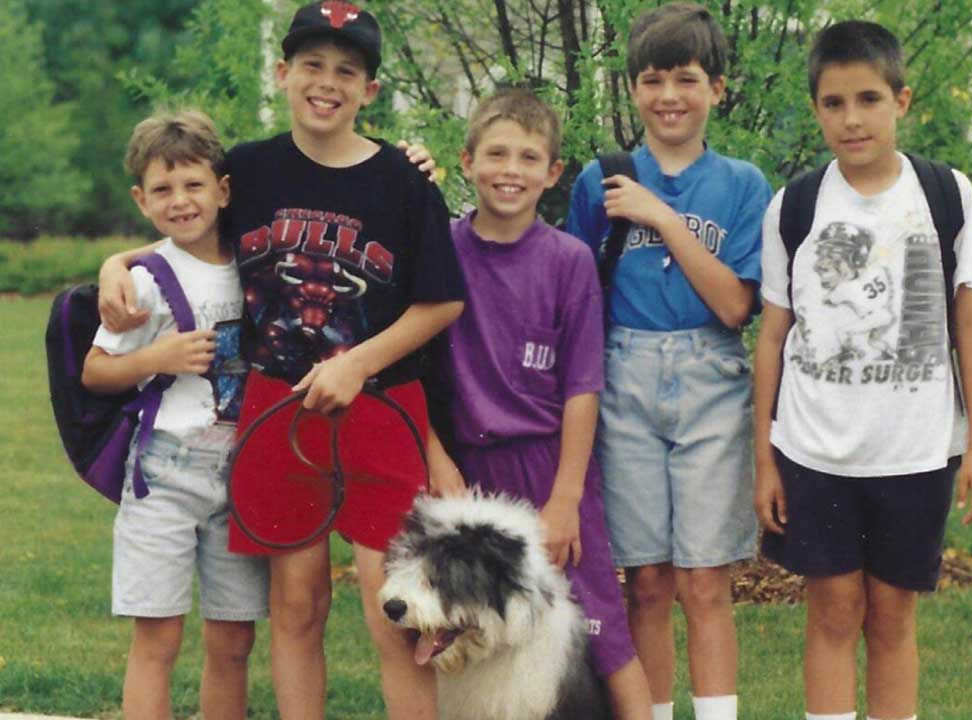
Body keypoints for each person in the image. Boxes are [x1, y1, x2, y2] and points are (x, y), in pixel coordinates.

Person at [96, 3, 465, 719]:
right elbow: (190, 230)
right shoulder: (252, 169)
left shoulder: (404, 180)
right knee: (296, 605)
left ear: (370, 91)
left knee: (395, 608)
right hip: (278, 407)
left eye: (346, 71)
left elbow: (442, 301)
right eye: (312, 66)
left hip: (382, 408)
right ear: (283, 73)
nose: (327, 83)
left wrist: (358, 363)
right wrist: (119, 259)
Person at [752, 20, 972, 720]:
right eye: (833, 103)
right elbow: (773, 338)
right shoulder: (794, 205)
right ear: (817, 109)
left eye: (868, 99)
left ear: (902, 101)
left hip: (916, 450)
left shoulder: (946, 195)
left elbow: (971, 326)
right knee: (832, 612)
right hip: (815, 448)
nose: (852, 118)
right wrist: (765, 458)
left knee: (891, 618)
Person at [565, 5, 773, 720]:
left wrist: (662, 218)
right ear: (632, 91)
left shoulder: (744, 184)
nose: (669, 97)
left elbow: (734, 307)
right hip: (623, 375)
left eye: (686, 79)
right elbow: (578, 297)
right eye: (652, 80)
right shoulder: (600, 182)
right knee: (647, 579)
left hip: (711, 378)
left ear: (716, 87)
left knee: (705, 579)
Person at [424, 87, 653, 720]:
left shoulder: (568, 261)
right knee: (470, 629)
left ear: (552, 173)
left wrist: (565, 499)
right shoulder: (441, 251)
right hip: (467, 474)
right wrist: (436, 458)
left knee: (600, 631)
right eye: (495, 154)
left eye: (528, 158)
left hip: (550, 468)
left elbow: (583, 387)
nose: (510, 170)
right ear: (467, 161)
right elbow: (407, 369)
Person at [83, 109, 269, 720]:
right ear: (141, 200)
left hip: (241, 473)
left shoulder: (253, 261)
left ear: (222, 188)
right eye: (162, 189)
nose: (180, 201)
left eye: (193, 185)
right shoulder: (145, 279)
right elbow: (95, 370)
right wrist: (157, 356)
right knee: (158, 637)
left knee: (234, 638)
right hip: (165, 471)